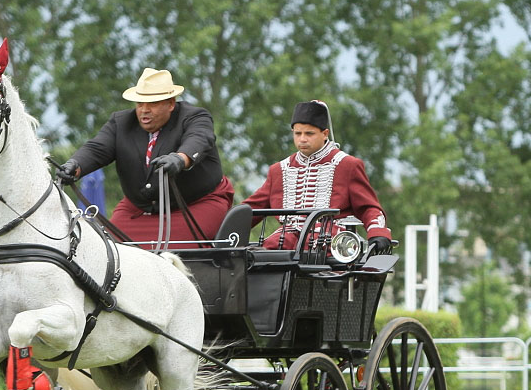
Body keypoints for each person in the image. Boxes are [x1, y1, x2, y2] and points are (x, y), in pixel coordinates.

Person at [57, 68, 234, 249]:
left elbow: (199, 139)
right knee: (108, 251)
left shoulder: (195, 117)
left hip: (195, 205)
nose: (144, 110)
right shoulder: (121, 122)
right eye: (140, 103)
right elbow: (96, 149)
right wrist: (74, 166)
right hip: (138, 209)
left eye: (152, 104)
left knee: (178, 254)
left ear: (171, 103)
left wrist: (180, 159)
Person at [241, 100, 392, 252]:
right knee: (264, 252)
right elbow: (253, 207)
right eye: (298, 133)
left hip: (330, 240)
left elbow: (368, 207)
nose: (302, 139)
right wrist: (224, 228)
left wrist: (377, 232)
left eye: (309, 133)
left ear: (325, 134)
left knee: (313, 243)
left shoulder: (347, 165)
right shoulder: (279, 169)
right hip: (288, 238)